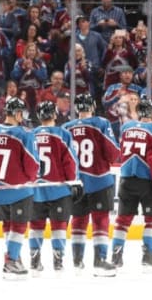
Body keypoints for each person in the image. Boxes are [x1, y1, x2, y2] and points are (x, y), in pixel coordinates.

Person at [63, 93, 119, 276]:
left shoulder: (65, 128)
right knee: (100, 219)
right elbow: (113, 154)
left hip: (75, 182)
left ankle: (77, 261)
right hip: (99, 179)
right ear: (93, 106)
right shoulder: (101, 123)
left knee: (78, 219)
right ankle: (100, 260)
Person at [0, 98, 39, 279]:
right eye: (21, 113)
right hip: (18, 189)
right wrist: (31, 179)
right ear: (16, 113)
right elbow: (31, 163)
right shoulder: (24, 133)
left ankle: (12, 255)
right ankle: (11, 260)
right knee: (19, 226)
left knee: (8, 225)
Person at [111, 98, 152, 270]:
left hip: (126, 180)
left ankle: (116, 255)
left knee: (122, 220)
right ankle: (148, 255)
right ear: (151, 113)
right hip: (147, 182)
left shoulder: (126, 127)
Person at [29, 101, 81, 274]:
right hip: (58, 189)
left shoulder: (30, 135)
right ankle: (58, 261)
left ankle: (34, 261)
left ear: (38, 116)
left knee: (36, 226)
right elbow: (70, 161)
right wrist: (73, 181)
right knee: (59, 225)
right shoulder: (62, 134)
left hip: (36, 190)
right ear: (55, 115)